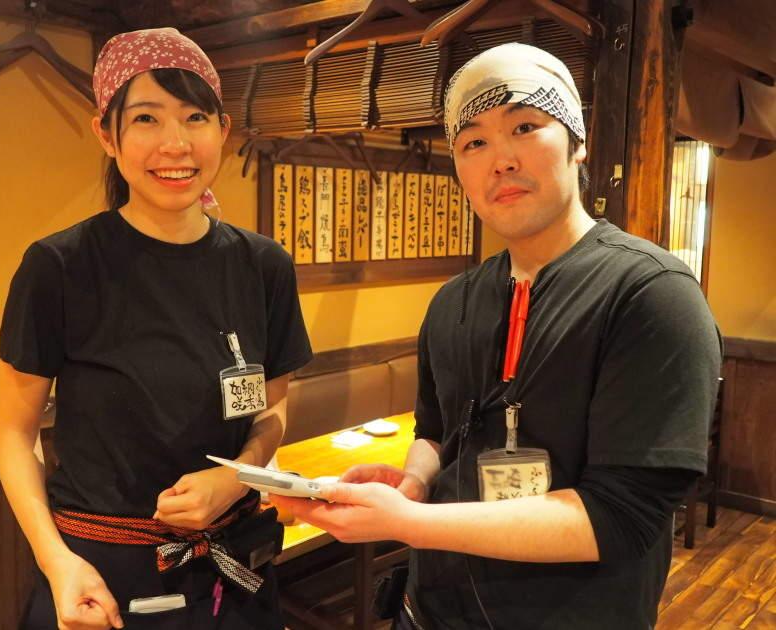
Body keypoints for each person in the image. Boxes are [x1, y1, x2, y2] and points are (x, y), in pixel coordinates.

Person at [270, 43, 722, 630]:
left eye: (526, 126)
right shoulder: (453, 301)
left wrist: (407, 522)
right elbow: (434, 433)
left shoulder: (651, 293)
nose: (500, 160)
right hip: (428, 608)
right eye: (473, 142)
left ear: (578, 143)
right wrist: (412, 483)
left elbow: (622, 516)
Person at [0, 27, 312, 630]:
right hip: (98, 579)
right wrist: (55, 560)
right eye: (145, 119)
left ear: (222, 128)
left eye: (195, 116)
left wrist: (234, 477)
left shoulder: (263, 266)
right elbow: (13, 431)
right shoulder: (60, 267)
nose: (175, 142)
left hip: (234, 570)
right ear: (106, 136)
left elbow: (273, 409)